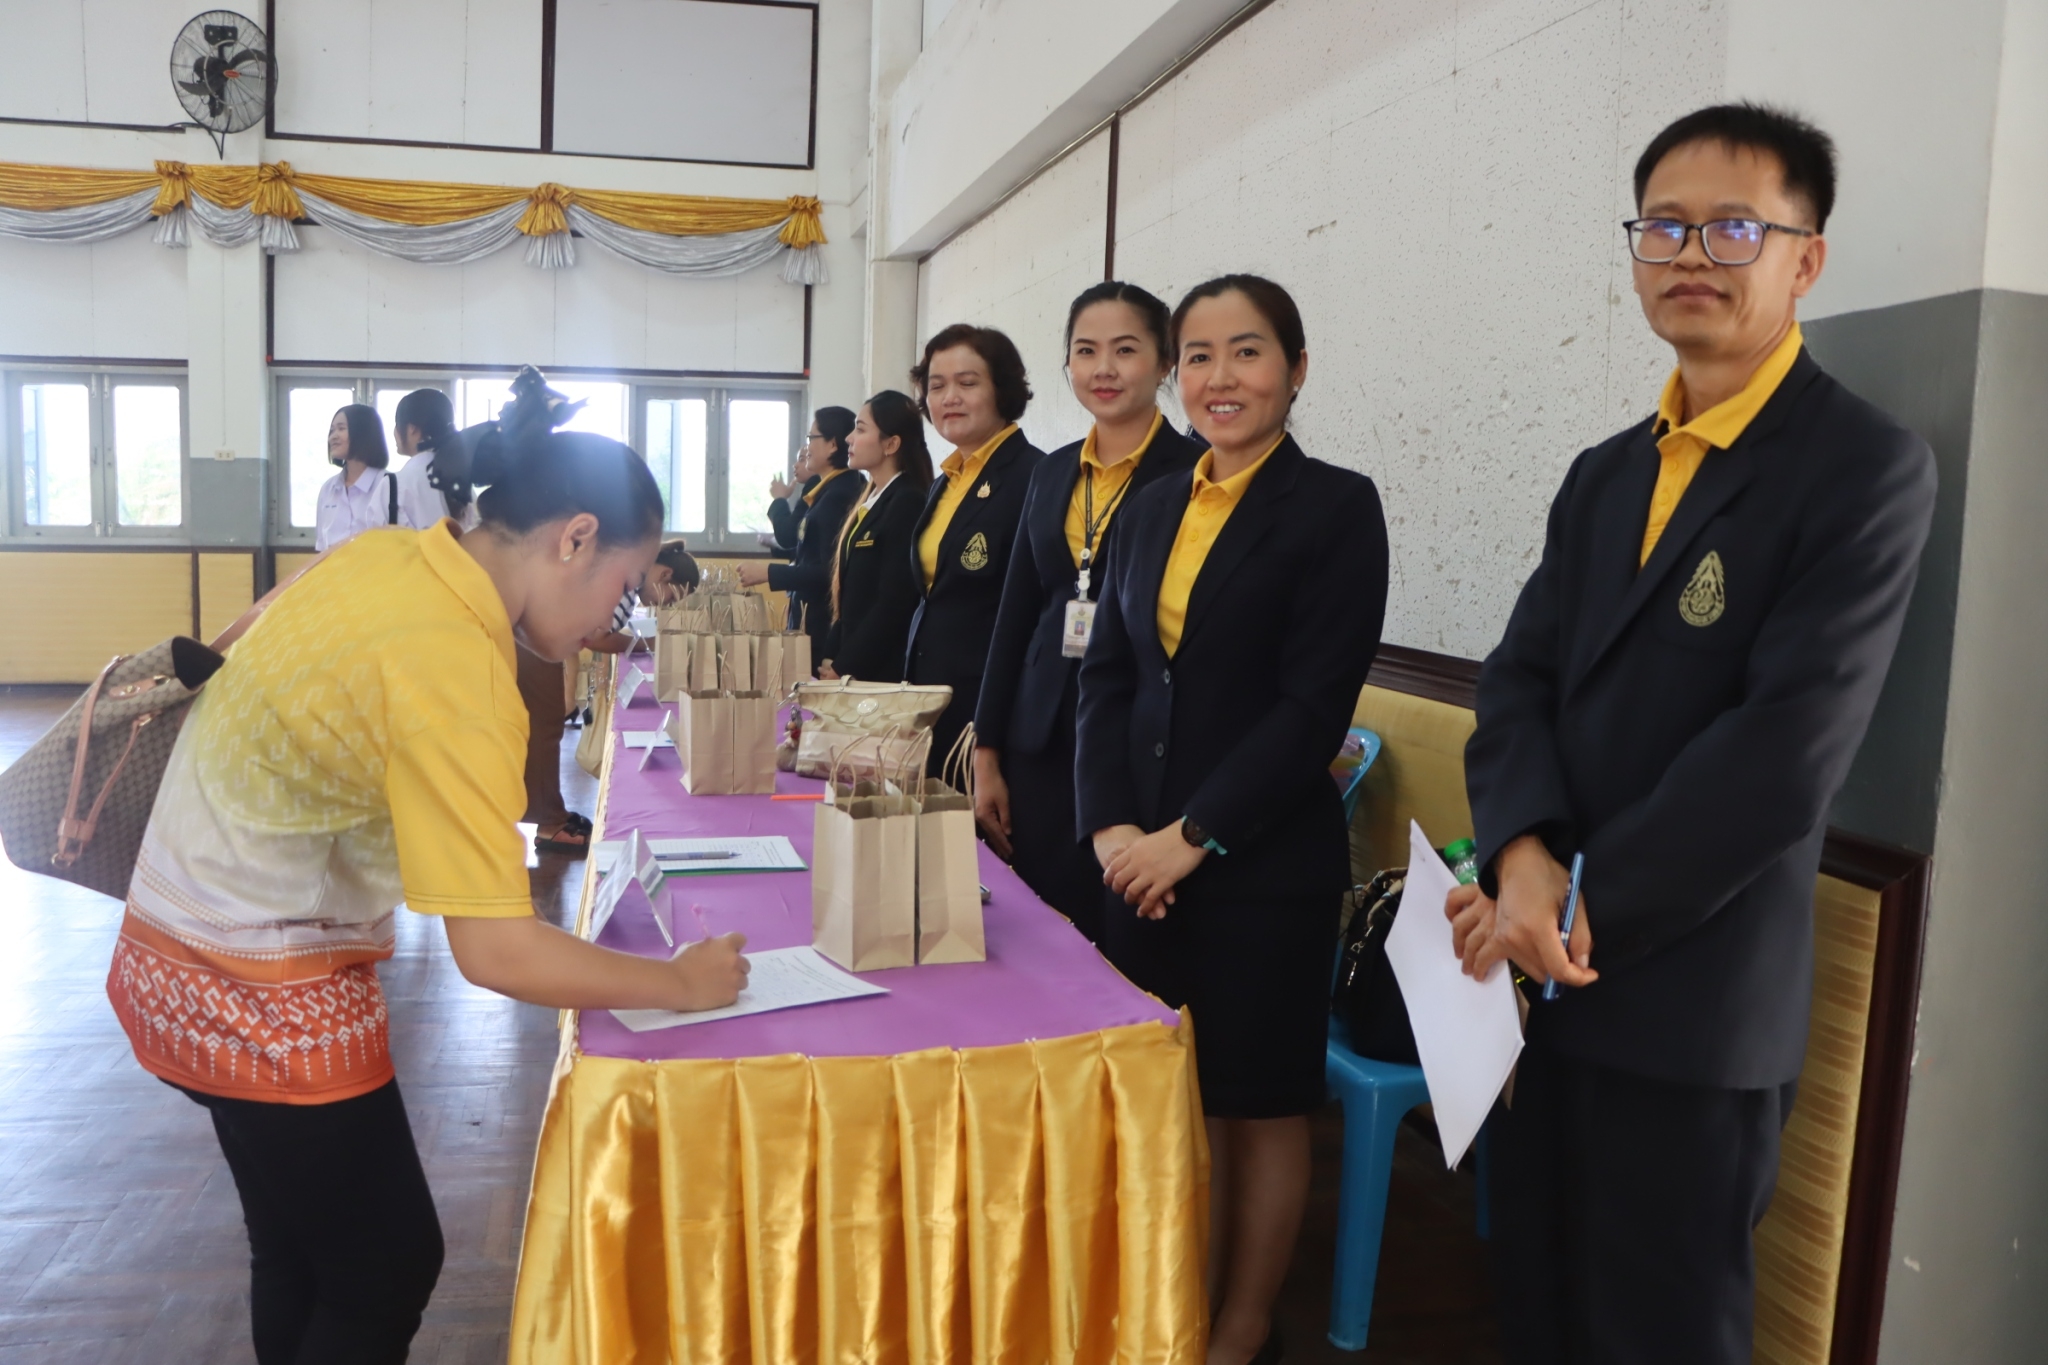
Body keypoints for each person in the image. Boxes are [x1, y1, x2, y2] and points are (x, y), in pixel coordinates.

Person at [107, 403, 750, 1365]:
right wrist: (680, 983)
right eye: (620, 593)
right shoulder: (457, 659)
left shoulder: (385, 556)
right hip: (256, 982)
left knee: (297, 1248)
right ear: (575, 538)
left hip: (165, 948)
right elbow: (496, 950)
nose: (606, 626)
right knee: (386, 1266)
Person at [1450, 104, 1935, 1365]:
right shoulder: (1604, 472)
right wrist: (1518, 859)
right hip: (1544, 982)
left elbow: (1780, 757)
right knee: (1536, 1310)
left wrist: (1566, 906)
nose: (1689, 255)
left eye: (1732, 228)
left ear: (1804, 259)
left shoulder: (1861, 467)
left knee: (1659, 1333)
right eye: (1661, 227)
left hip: (1690, 1008)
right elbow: (1516, 682)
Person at [1076, 274, 1389, 1365]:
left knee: (1258, 1103)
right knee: (1169, 1094)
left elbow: (1312, 709)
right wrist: (1112, 829)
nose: (1219, 378)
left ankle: (1243, 1322)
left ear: (1294, 370)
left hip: (1259, 867)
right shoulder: (1152, 502)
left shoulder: (1336, 507)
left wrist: (1193, 836)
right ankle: (1174, 1303)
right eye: (1198, 356)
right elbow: (1107, 678)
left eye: (1246, 352)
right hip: (1137, 865)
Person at [972, 282, 1200, 940]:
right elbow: (1016, 613)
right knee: (1036, 927)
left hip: (1137, 743)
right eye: (1086, 351)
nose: (1104, 368)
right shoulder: (1051, 472)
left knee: (1119, 930)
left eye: (1125, 350)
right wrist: (986, 749)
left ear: (1164, 362)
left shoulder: (1195, 473)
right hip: (1040, 738)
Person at [906, 325, 1044, 769]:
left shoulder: (1037, 478)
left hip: (990, 711)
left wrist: (995, 736)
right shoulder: (945, 481)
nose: (950, 398)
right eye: (936, 386)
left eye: (967, 383)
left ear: (1002, 389)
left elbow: (1033, 616)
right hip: (930, 698)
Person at [819, 391, 931, 682]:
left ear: (891, 444)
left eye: (860, 429)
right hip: (852, 664)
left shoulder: (907, 501)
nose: (849, 439)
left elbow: (893, 603)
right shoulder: (873, 498)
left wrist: (845, 666)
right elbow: (850, 597)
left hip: (878, 671)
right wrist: (830, 657)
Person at [738, 406, 860, 654]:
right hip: (810, 618)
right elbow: (812, 550)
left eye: (811, 438)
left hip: (823, 625)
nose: (807, 448)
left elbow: (829, 571)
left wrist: (768, 573)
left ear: (832, 445)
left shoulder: (839, 494)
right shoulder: (828, 489)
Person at [390, 387, 475, 531]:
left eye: (397, 425)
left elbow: (376, 539)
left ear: (412, 429)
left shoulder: (393, 485)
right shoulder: (463, 482)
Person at [312, 404, 394, 552]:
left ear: (362, 433)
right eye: (332, 430)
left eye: (341, 428)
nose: (333, 437)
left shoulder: (389, 484)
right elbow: (321, 548)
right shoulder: (328, 489)